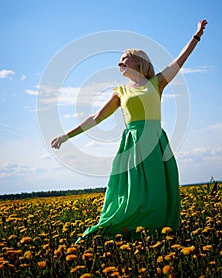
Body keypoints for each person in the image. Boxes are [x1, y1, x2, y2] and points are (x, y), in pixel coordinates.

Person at [51, 20, 208, 240]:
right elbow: (96, 118)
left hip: (155, 142)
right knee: (131, 194)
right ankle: (126, 229)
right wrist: (66, 136)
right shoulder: (120, 91)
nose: (119, 63)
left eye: (124, 58)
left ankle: (157, 232)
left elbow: (180, 60)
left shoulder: (156, 83)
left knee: (157, 191)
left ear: (138, 62)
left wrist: (196, 35)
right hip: (133, 144)